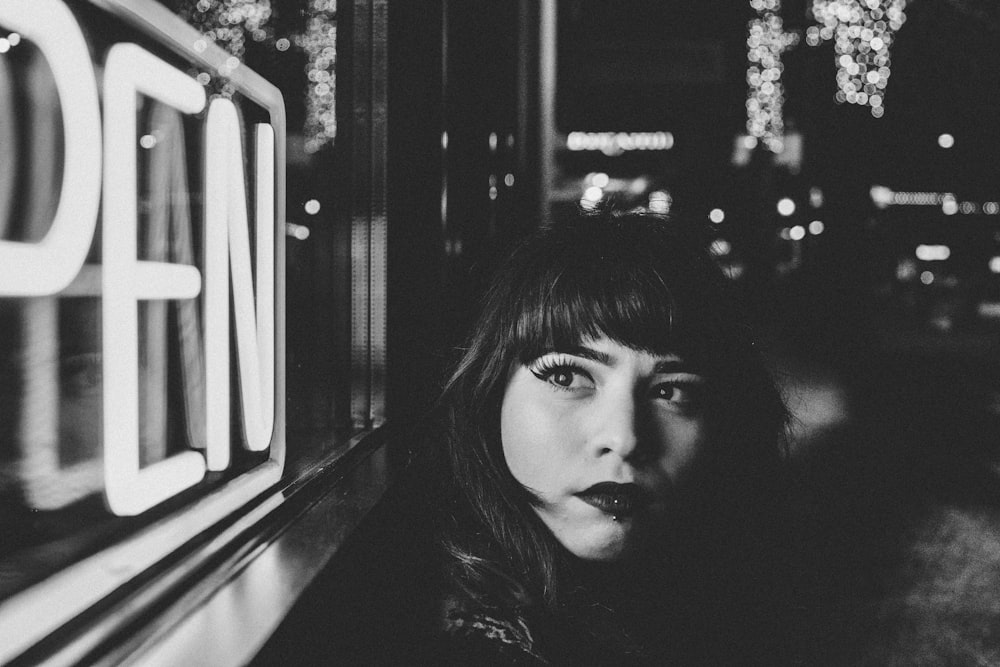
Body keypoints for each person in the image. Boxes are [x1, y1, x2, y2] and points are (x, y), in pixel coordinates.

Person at [421, 206, 789, 665]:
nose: (625, 438)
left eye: (671, 391)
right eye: (566, 377)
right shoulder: (452, 635)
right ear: (490, 394)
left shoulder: (722, 593)